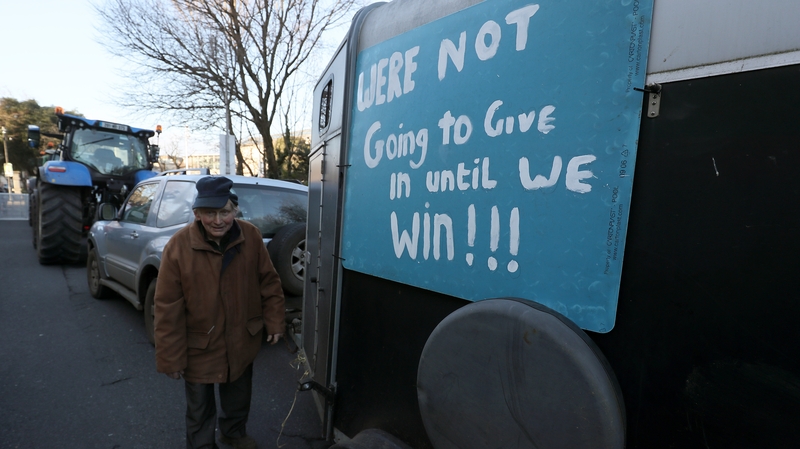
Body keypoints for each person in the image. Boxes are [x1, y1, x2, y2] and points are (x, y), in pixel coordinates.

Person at [155, 176, 285, 449]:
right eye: (210, 213)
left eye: (224, 212)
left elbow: (269, 282)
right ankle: (202, 446)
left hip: (241, 338)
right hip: (200, 344)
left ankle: (233, 434)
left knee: (238, 396)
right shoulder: (178, 247)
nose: (218, 220)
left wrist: (274, 322)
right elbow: (167, 307)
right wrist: (171, 357)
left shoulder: (251, 235)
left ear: (235, 211)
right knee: (199, 408)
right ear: (197, 214)